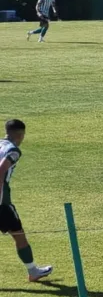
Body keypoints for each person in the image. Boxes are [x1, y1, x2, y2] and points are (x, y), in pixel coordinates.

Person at [1, 119, 53, 282]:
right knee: (19, 235)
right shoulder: (13, 150)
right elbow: (1, 170)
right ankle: (33, 271)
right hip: (2, 203)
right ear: (21, 134)